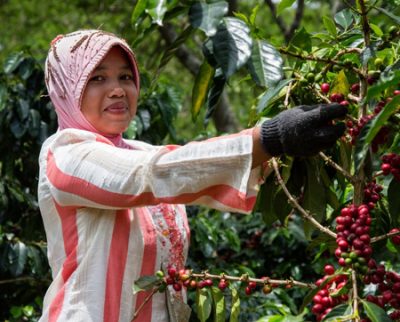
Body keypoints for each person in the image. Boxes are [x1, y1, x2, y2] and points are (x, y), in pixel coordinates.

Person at [38, 29, 347, 322]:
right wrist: (269, 138)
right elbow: (153, 174)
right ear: (67, 88)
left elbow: (191, 172)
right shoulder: (65, 155)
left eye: (125, 77)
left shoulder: (141, 150)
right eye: (97, 78)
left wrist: (283, 155)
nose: (117, 90)